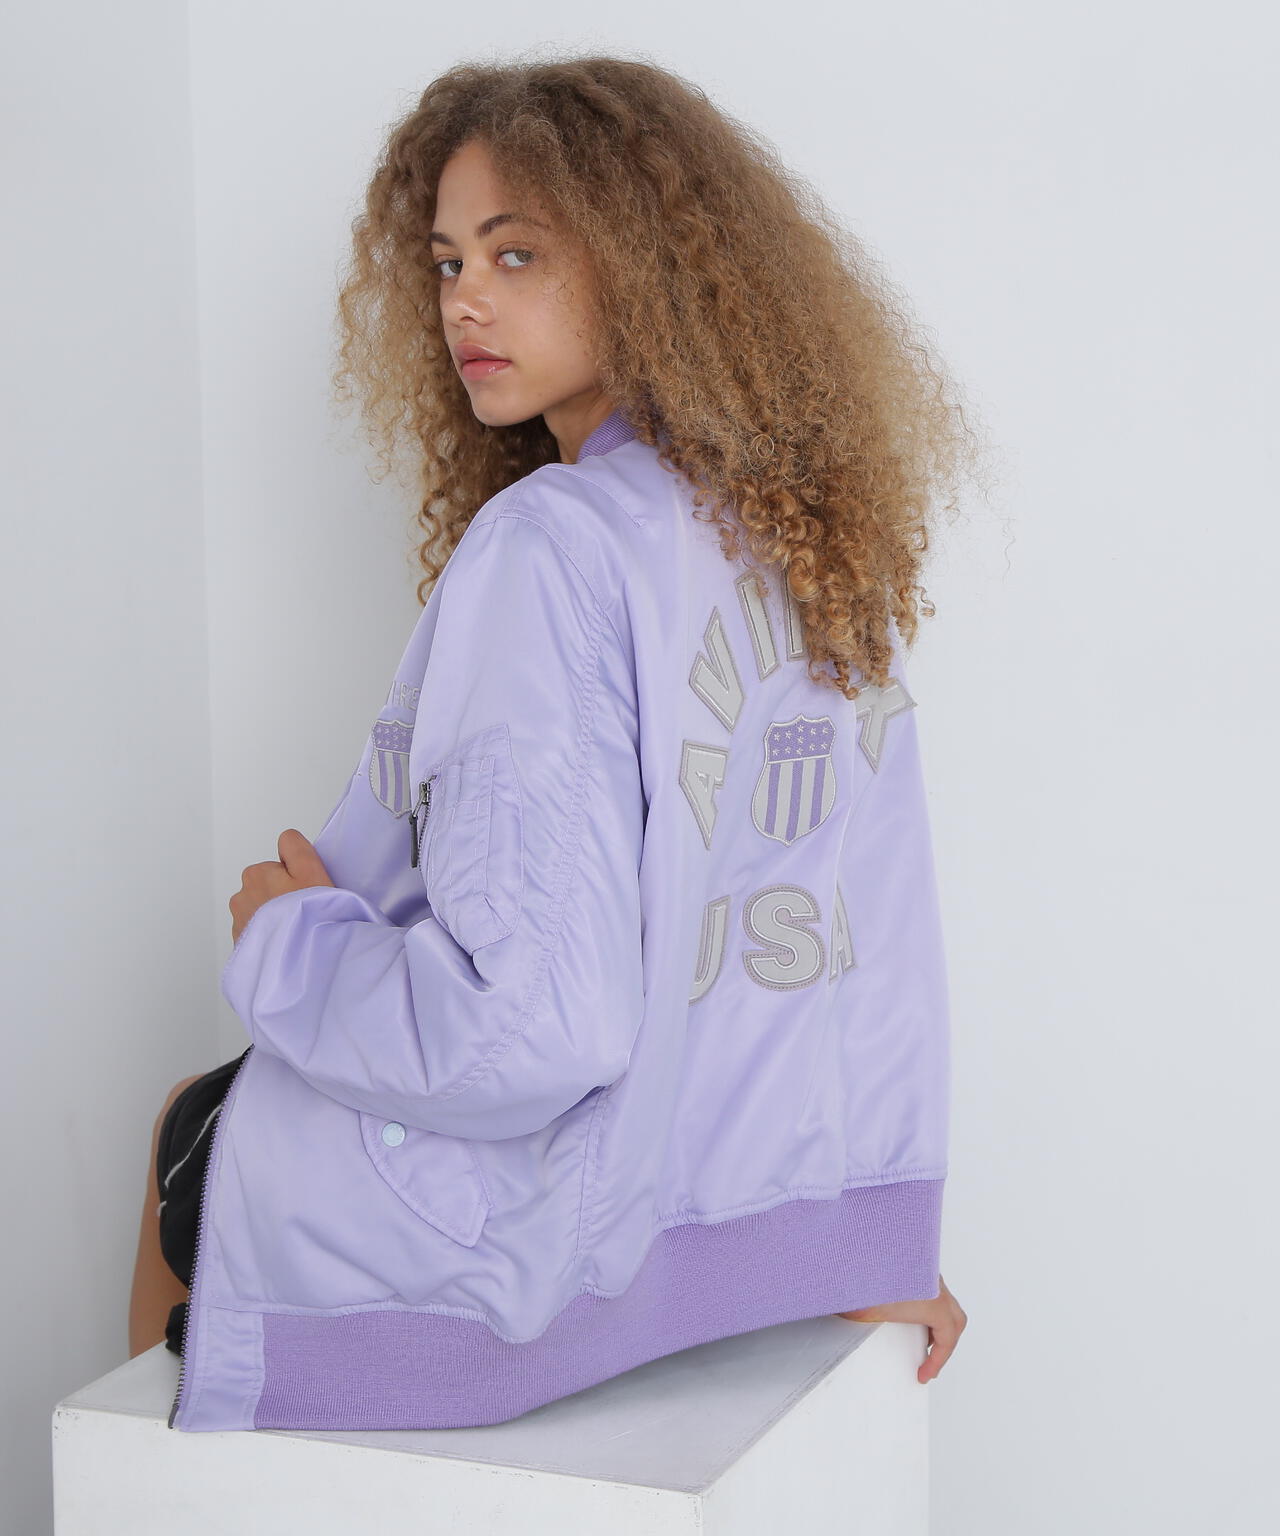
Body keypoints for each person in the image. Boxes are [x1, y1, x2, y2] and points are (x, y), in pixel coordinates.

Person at [130, 52, 981, 1432]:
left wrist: (291, 944)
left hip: (556, 1236)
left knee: (196, 1128)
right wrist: (867, 1244)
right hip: (730, 1221)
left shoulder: (551, 544)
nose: (464, 299)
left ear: (645, 266)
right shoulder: (797, 543)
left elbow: (531, 1030)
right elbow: (853, 950)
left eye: (516, 253)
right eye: (448, 261)